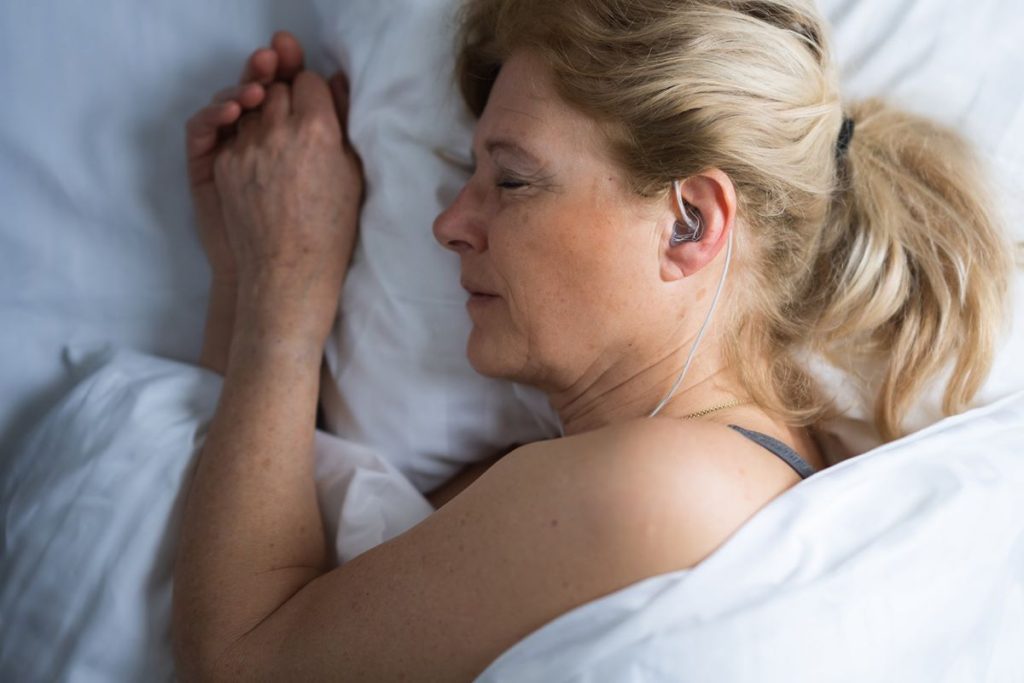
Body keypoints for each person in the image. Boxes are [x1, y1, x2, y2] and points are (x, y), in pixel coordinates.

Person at [172, 0, 1014, 678]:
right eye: (471, 175)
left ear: (689, 223)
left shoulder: (648, 488)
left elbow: (240, 659)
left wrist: (285, 292)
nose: (450, 223)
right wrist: (241, 273)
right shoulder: (689, 468)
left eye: (512, 179)